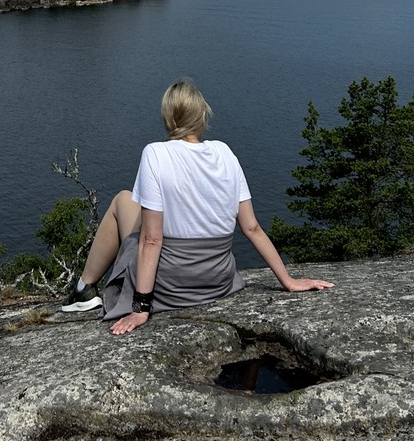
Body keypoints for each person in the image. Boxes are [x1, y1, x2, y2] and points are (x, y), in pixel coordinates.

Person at [61, 79, 333, 336]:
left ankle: (84, 289)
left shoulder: (155, 153)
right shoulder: (225, 153)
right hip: (217, 281)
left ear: (168, 118)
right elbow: (251, 227)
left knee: (124, 199)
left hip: (171, 286)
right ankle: (85, 289)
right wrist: (288, 281)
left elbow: (152, 239)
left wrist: (141, 307)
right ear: (202, 115)